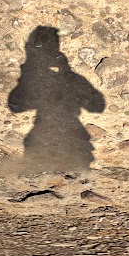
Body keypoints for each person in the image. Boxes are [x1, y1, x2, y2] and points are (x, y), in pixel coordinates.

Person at [6, 26, 106, 175]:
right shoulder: (37, 78)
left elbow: (98, 105)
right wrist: (28, 75)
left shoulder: (70, 79)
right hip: (48, 137)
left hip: (66, 137)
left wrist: (69, 78)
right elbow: (16, 105)